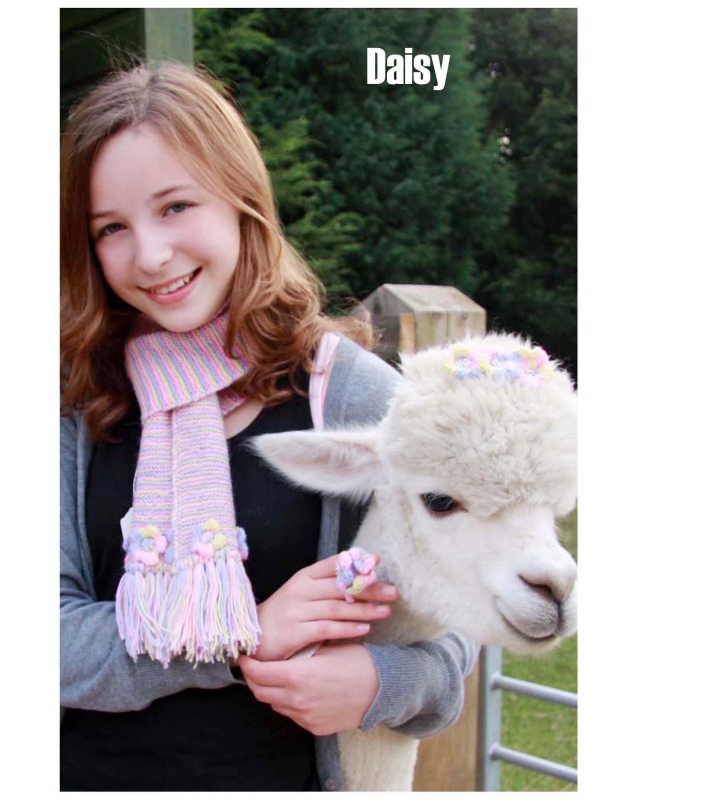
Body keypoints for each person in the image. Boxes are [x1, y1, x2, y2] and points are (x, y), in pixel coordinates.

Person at [60, 60, 479, 792]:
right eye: (112, 228)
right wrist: (241, 634)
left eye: (175, 207)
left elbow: (457, 622)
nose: (151, 255)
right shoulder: (75, 402)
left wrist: (381, 681)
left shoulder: (351, 398)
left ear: (241, 198)